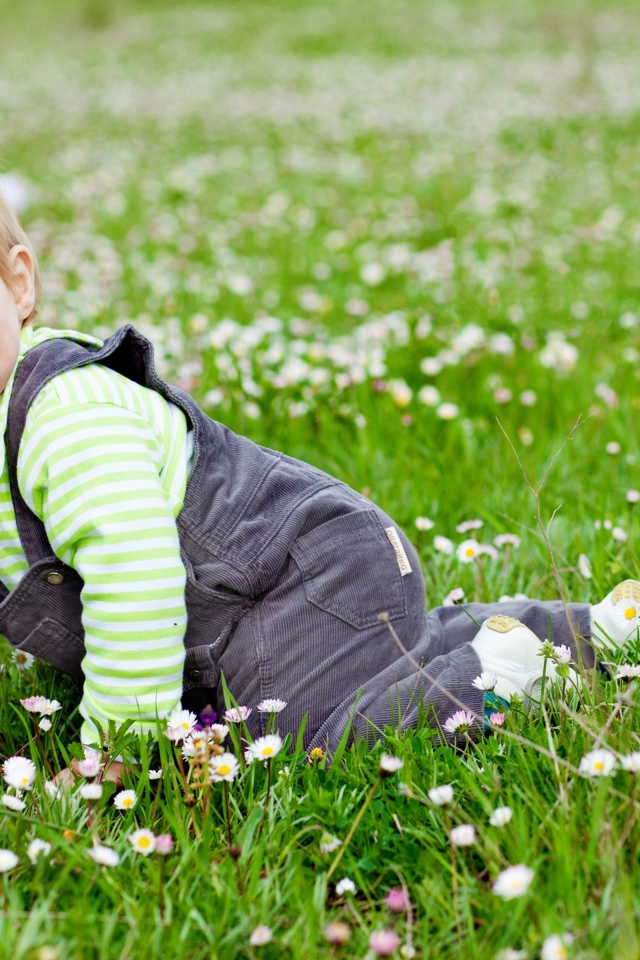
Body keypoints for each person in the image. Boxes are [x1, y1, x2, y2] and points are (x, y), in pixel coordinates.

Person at [0, 193, 637, 775]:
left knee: (318, 743)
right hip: (313, 578)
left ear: (20, 282)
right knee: (386, 665)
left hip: (301, 581)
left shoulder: (64, 418)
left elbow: (134, 573)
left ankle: (495, 677)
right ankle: (590, 632)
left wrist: (117, 753)